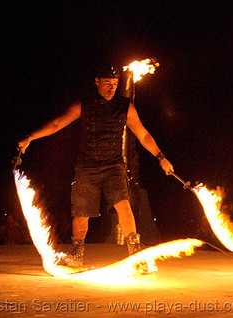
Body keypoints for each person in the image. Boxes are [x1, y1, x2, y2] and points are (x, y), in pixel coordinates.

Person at [17, 65, 174, 268]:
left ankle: (136, 255)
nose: (111, 88)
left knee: (124, 206)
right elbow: (56, 124)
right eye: (107, 83)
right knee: (81, 213)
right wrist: (30, 137)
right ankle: (77, 255)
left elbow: (143, 135)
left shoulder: (126, 107)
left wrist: (161, 158)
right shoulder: (85, 105)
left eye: (115, 84)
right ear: (97, 81)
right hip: (87, 167)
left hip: (113, 166)